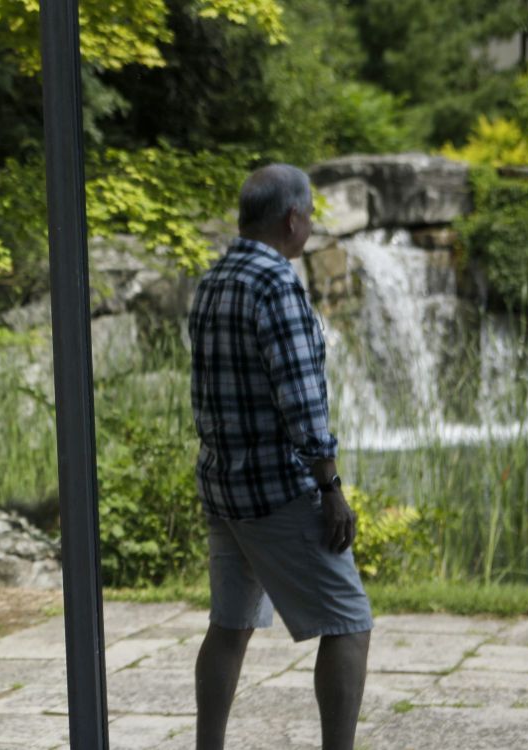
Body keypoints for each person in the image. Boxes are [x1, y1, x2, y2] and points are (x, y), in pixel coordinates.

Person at [188, 164, 373, 750]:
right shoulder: (276, 282)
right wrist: (330, 485)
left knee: (230, 625)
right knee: (348, 620)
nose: (313, 224)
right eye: (311, 214)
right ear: (292, 219)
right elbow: (300, 395)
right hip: (276, 492)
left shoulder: (215, 278)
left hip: (224, 488)